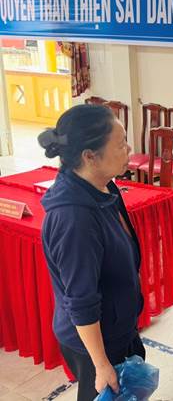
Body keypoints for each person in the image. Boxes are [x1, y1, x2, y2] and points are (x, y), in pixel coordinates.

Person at [39, 104, 144, 401]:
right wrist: (101, 364)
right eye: (120, 144)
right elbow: (81, 300)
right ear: (89, 156)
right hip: (95, 344)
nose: (129, 149)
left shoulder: (103, 186)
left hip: (117, 327)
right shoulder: (74, 219)